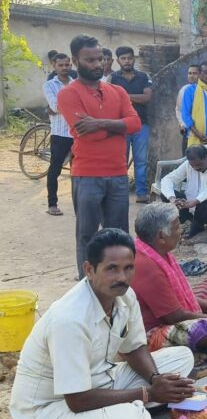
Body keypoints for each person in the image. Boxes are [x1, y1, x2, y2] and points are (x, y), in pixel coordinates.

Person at [9, 229, 195, 419]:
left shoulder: (125, 296)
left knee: (182, 358)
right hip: (52, 407)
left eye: (128, 268)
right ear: (89, 270)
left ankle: (120, 409)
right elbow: (77, 400)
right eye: (112, 269)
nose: (122, 277)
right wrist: (148, 394)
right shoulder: (69, 319)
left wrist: (155, 379)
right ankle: (125, 411)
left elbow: (134, 348)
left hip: (103, 381)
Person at [58, 34, 141, 278]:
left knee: (119, 236)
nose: (97, 64)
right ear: (75, 61)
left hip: (117, 173)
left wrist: (100, 123)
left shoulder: (117, 91)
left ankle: (119, 285)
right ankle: (88, 286)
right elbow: (87, 134)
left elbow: (135, 124)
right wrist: (118, 126)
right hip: (87, 175)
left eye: (100, 59)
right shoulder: (68, 94)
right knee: (87, 236)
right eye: (90, 60)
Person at [132, 203, 207, 351]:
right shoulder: (146, 265)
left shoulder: (154, 251)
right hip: (147, 335)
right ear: (161, 236)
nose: (181, 232)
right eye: (177, 228)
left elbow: (179, 299)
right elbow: (174, 316)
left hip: (169, 319)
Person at [161, 144, 207, 245]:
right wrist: (172, 199)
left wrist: (195, 201)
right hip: (193, 206)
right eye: (193, 166)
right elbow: (167, 179)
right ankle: (194, 222)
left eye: (199, 165)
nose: (196, 168)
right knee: (165, 194)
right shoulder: (187, 165)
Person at [109, 46, 153, 203]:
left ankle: (141, 193)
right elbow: (110, 100)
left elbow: (147, 98)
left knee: (141, 161)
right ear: (118, 60)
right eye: (123, 58)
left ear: (134, 59)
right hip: (121, 126)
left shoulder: (143, 76)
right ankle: (121, 192)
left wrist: (123, 96)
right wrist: (135, 97)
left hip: (141, 124)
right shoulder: (113, 78)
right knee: (120, 161)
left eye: (129, 58)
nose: (127, 61)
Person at [43, 53, 74, 217]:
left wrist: (63, 107)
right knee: (55, 170)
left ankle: (79, 205)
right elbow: (55, 106)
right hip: (60, 134)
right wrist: (75, 107)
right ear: (54, 66)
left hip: (78, 133)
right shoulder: (49, 85)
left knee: (78, 172)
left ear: (71, 65)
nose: (64, 68)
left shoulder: (77, 84)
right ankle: (52, 204)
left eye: (66, 65)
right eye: (60, 65)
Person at [176, 63, 201, 156]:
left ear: (200, 75)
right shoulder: (183, 90)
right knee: (187, 159)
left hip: (203, 132)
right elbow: (178, 109)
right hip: (188, 132)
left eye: (195, 73)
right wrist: (182, 123)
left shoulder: (205, 90)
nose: (191, 76)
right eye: (189, 73)